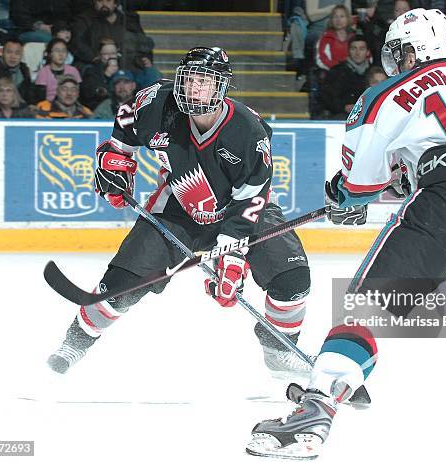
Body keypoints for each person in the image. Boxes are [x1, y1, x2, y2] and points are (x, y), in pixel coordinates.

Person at [247, 9, 446, 459]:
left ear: (411, 49)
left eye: (398, 51)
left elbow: (361, 182)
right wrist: (408, 177)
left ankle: (314, 414)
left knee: (365, 309)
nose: (395, 60)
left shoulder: (388, 91)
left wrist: (345, 196)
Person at [46, 47, 314, 382]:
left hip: (242, 211)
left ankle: (280, 350)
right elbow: (124, 130)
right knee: (120, 286)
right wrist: (115, 161)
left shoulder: (249, 131)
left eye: (206, 81)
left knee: (293, 281)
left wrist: (231, 257)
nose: (195, 88)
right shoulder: (156, 103)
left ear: (221, 87)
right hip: (177, 208)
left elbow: (252, 200)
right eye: (190, 80)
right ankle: (74, 344)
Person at [70, 0, 154, 70]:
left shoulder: (128, 20)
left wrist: (146, 58)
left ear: (115, 3)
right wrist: (94, 58)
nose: (104, 4)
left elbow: (143, 42)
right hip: (96, 66)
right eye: (100, 1)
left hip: (127, 67)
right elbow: (77, 42)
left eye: (108, 1)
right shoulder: (84, 20)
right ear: (95, 3)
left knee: (152, 74)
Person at [0, 38, 41, 111]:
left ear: (22, 55)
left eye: (17, 53)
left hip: (22, 112)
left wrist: (31, 104)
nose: (13, 57)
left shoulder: (24, 70)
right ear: (2, 52)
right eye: (9, 52)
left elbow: (30, 94)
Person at [319, 36, 371, 119]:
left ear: (367, 52)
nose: (357, 53)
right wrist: (343, 107)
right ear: (348, 51)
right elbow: (326, 97)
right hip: (341, 115)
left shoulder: (374, 72)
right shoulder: (336, 72)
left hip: (370, 114)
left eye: (361, 49)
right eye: (354, 48)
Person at [34, 38, 82, 102]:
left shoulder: (73, 70)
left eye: (64, 51)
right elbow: (40, 98)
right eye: (57, 51)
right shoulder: (43, 72)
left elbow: (78, 93)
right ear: (50, 54)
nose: (61, 54)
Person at [80, 38, 120, 110]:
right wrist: (106, 76)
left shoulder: (123, 70)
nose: (110, 57)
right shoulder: (91, 71)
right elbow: (89, 94)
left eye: (113, 53)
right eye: (106, 54)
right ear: (99, 55)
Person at [315, 5, 355, 70]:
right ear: (331, 20)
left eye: (342, 16)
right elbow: (322, 58)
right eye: (335, 17)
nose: (338, 20)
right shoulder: (326, 37)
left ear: (347, 19)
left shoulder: (354, 37)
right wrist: (337, 68)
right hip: (332, 72)